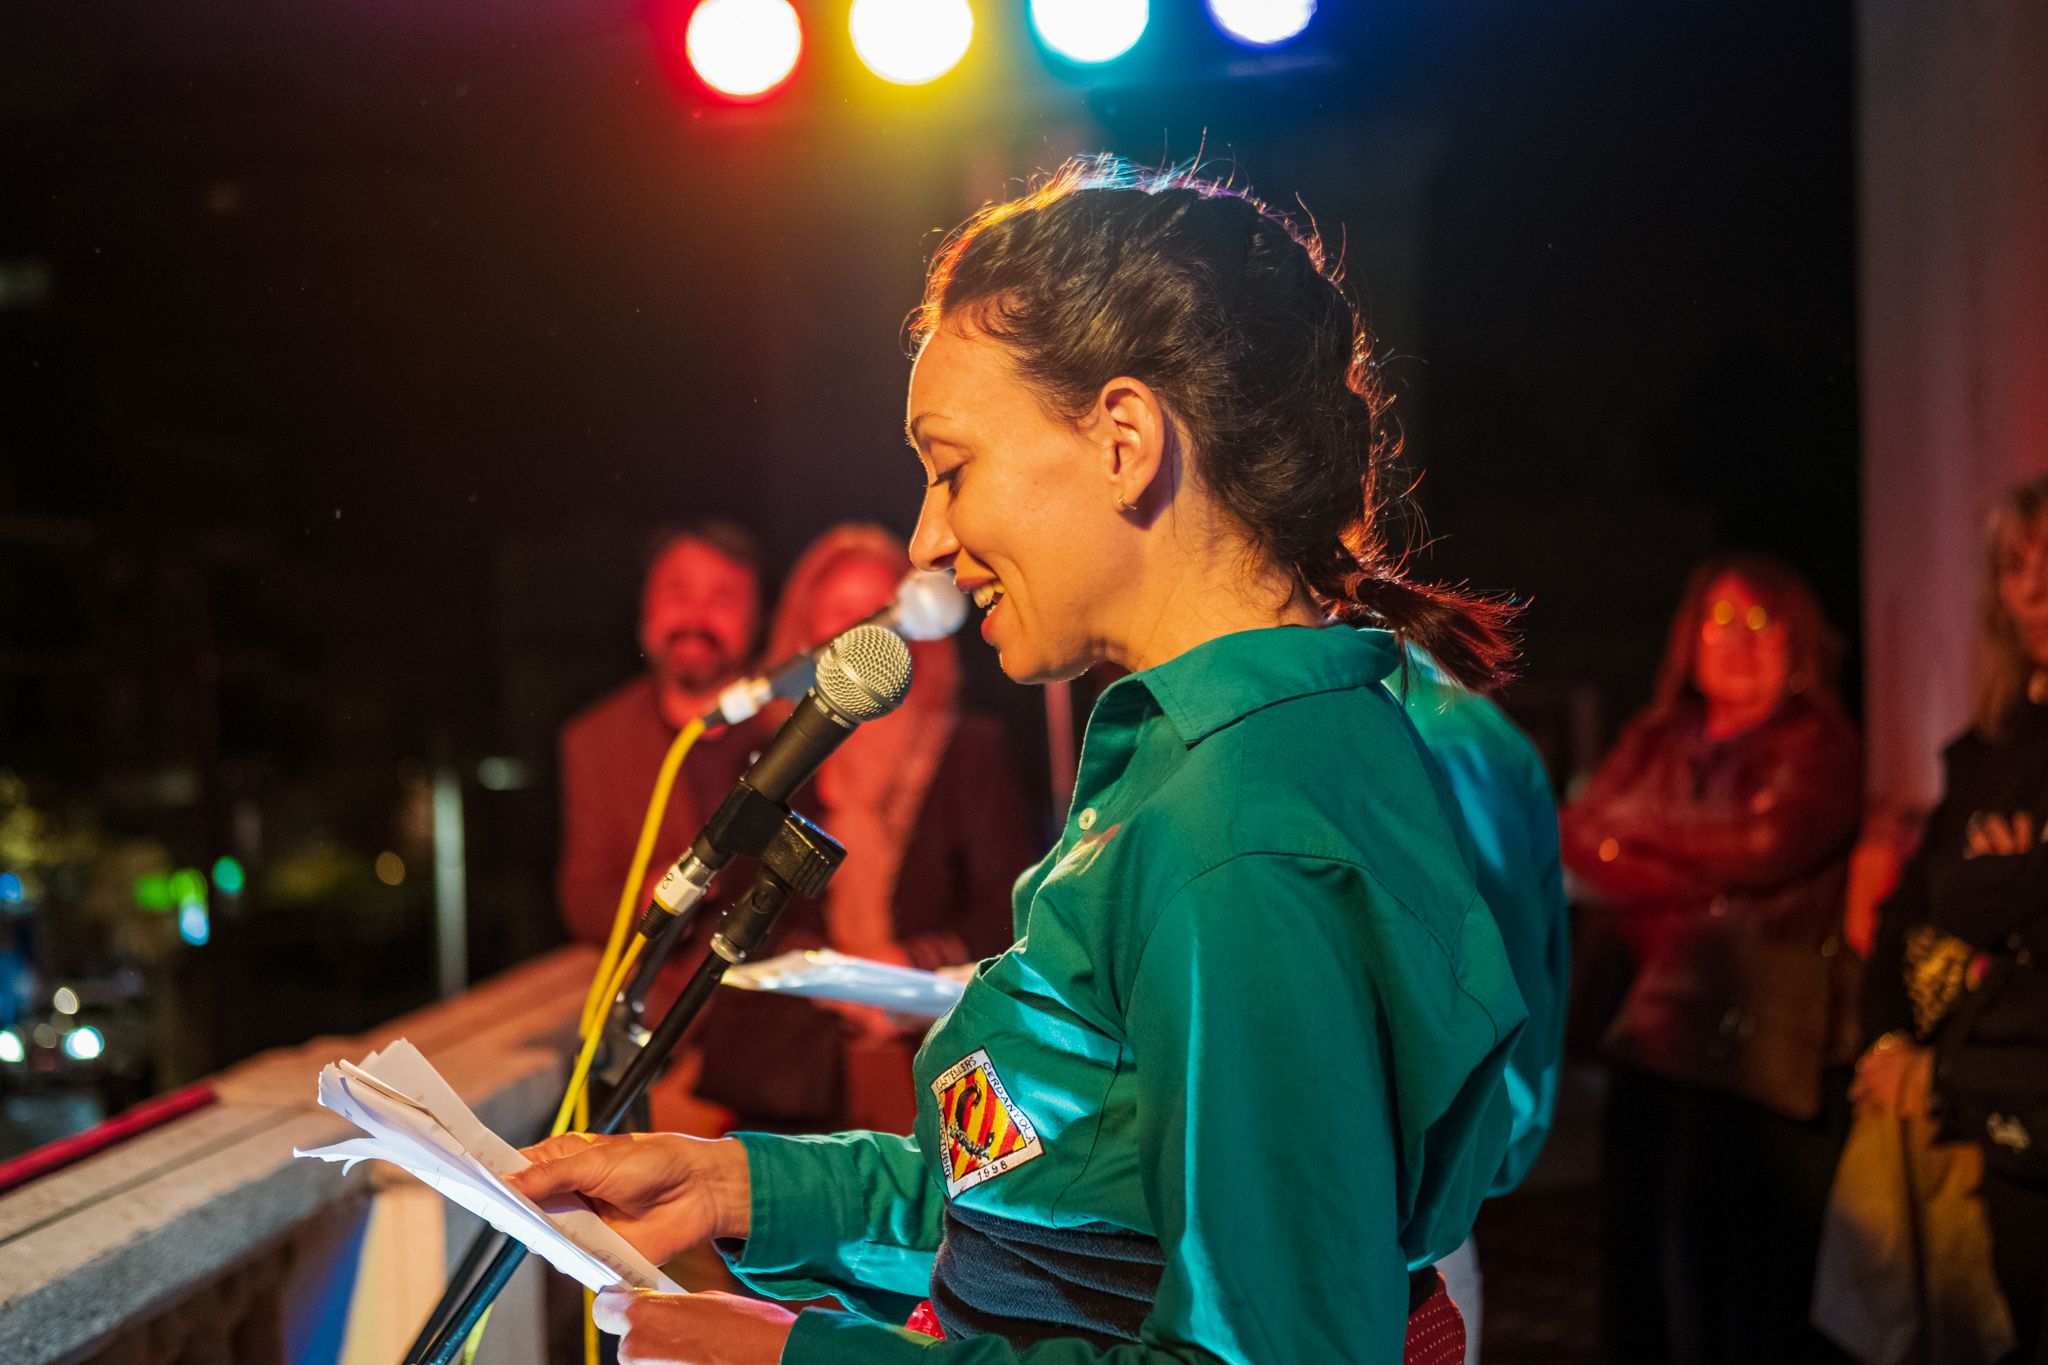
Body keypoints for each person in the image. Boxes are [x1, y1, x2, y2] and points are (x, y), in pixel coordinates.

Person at [512, 156, 1529, 1364]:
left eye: (950, 468)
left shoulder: (1241, 830)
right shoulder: (1199, 768)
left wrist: (797, 1355)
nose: (927, 540)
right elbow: (1055, 1200)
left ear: (1122, 442)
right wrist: (735, 1187)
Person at [1560, 554, 1861, 1365]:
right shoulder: (1656, 737)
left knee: (1743, 1284)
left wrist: (1643, 849)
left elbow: (1768, 846)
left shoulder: (1817, 744)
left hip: (1753, 1057)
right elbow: (1579, 836)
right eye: (1719, 620)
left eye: (1762, 623)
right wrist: (1699, 872)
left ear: (1798, 644)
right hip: (1649, 1038)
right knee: (1646, 1267)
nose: (1739, 640)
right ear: (1687, 638)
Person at [557, 523, 843, 1130]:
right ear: (644, 611)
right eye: (678, 593)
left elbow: (810, 910)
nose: (696, 615)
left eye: (722, 598)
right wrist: (654, 897)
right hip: (642, 1034)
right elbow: (581, 892)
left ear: (755, 619)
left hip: (760, 1056)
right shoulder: (595, 739)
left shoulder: (790, 740)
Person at [1854, 473, 2048, 1362]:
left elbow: (1964, 902)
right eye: (2015, 565)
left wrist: (1980, 902)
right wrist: (1892, 1041)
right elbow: (1906, 916)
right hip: (1985, 1124)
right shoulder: (1986, 752)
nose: (2036, 587)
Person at [762, 523, 1040, 1129]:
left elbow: (1011, 901)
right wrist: (823, 973)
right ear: (805, 631)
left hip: (942, 1050)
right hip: (806, 1065)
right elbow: (753, 903)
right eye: (837, 612)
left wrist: (904, 962)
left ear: (914, 629)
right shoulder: (783, 757)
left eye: (875, 610)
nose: (857, 630)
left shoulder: (968, 748)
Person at [1395, 644, 1569, 1362]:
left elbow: (1493, 976)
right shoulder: (1418, 719)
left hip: (1392, 1217)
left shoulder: (1429, 732)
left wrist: (1457, 1163)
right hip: (1388, 1205)